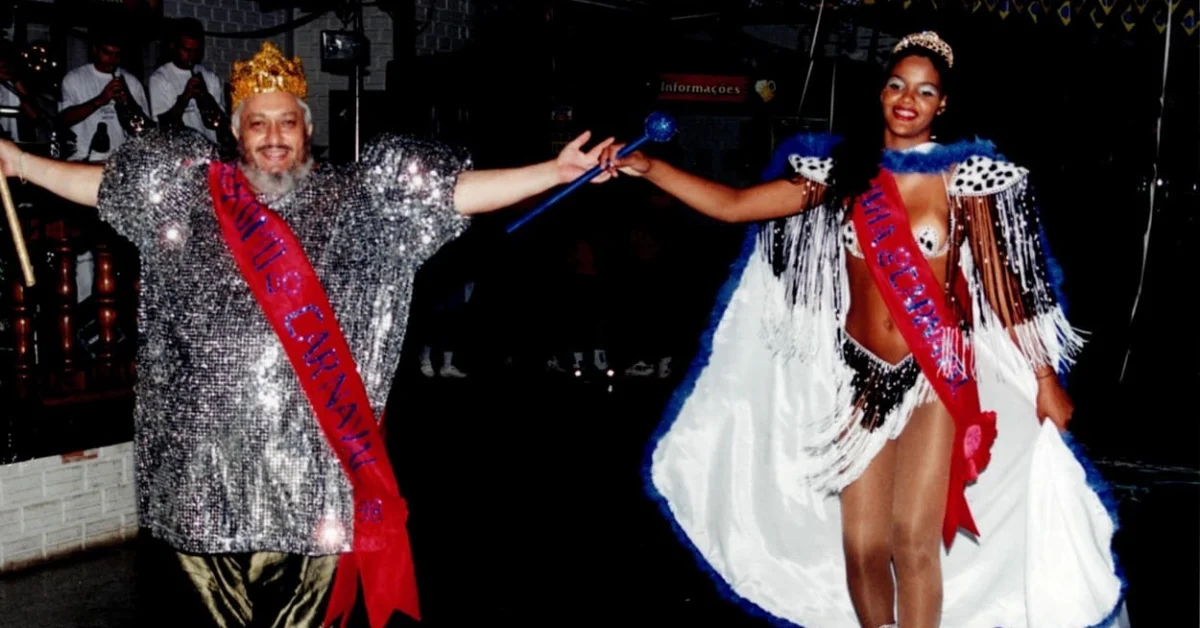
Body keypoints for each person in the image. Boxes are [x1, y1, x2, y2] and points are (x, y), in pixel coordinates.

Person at [0, 40, 615, 628]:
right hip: (200, 476)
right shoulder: (188, 196)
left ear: (308, 128)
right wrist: (20, 162)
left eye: (287, 122)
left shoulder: (357, 200)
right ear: (236, 133)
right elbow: (105, 187)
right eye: (258, 123)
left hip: (314, 474)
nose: (274, 137)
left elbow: (449, 194)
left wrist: (553, 172)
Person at [598, 31, 1126, 628]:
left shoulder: (965, 178)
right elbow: (736, 205)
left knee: (913, 540)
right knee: (863, 547)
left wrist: (1044, 379)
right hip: (860, 378)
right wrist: (650, 168)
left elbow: (1005, 288)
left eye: (925, 91)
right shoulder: (844, 174)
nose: (908, 99)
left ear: (943, 104)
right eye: (897, 85)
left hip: (934, 378)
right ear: (880, 93)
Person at [58, 26, 151, 162]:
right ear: (95, 49)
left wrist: (129, 102)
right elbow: (64, 119)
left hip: (119, 160)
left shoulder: (131, 81)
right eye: (107, 53)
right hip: (83, 159)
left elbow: (145, 130)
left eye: (117, 55)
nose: (112, 60)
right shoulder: (73, 78)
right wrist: (101, 100)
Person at [148, 17, 228, 147]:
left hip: (208, 149)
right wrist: (185, 96)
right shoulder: (160, 78)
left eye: (195, 51)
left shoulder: (210, 77)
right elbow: (163, 125)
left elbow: (221, 123)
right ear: (173, 46)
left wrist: (206, 97)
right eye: (186, 50)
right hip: (177, 151)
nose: (191, 56)